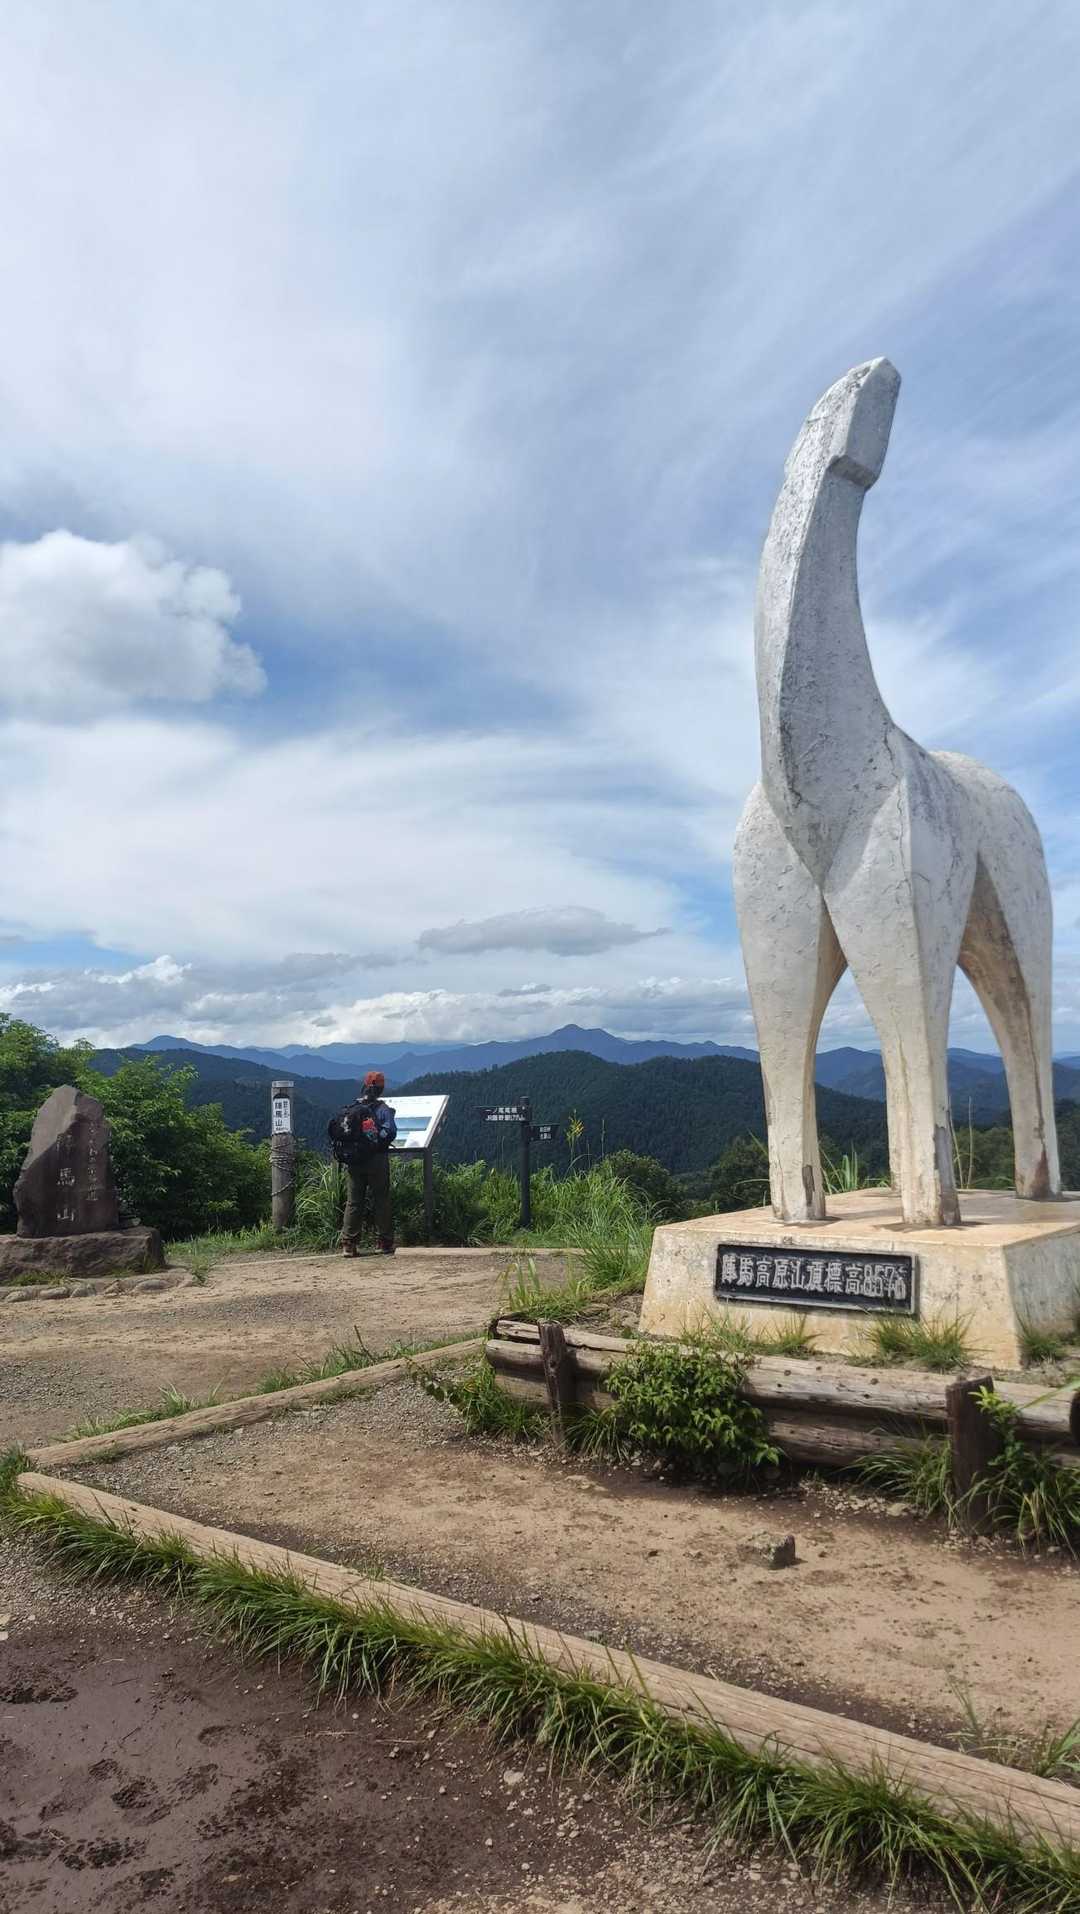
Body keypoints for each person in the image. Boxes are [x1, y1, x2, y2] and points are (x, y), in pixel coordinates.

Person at [329, 1071, 398, 1256]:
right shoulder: (382, 1109)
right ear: (381, 1088)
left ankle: (348, 1244)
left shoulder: (354, 1108)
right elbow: (391, 1132)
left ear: (364, 1086)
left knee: (354, 1201)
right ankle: (384, 1242)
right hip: (376, 1160)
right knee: (381, 1199)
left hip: (354, 1160)